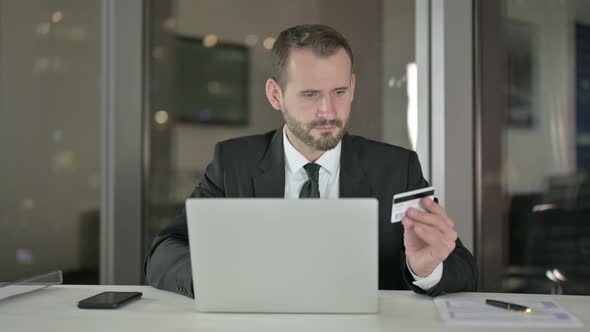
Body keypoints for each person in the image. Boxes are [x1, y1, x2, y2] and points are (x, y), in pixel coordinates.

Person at [145, 24, 477, 298]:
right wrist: (222, 282)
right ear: (275, 95)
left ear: (353, 87)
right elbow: (164, 252)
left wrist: (426, 269)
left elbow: (463, 269)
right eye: (310, 94)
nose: (328, 112)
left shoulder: (396, 168)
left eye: (339, 92)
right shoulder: (233, 162)